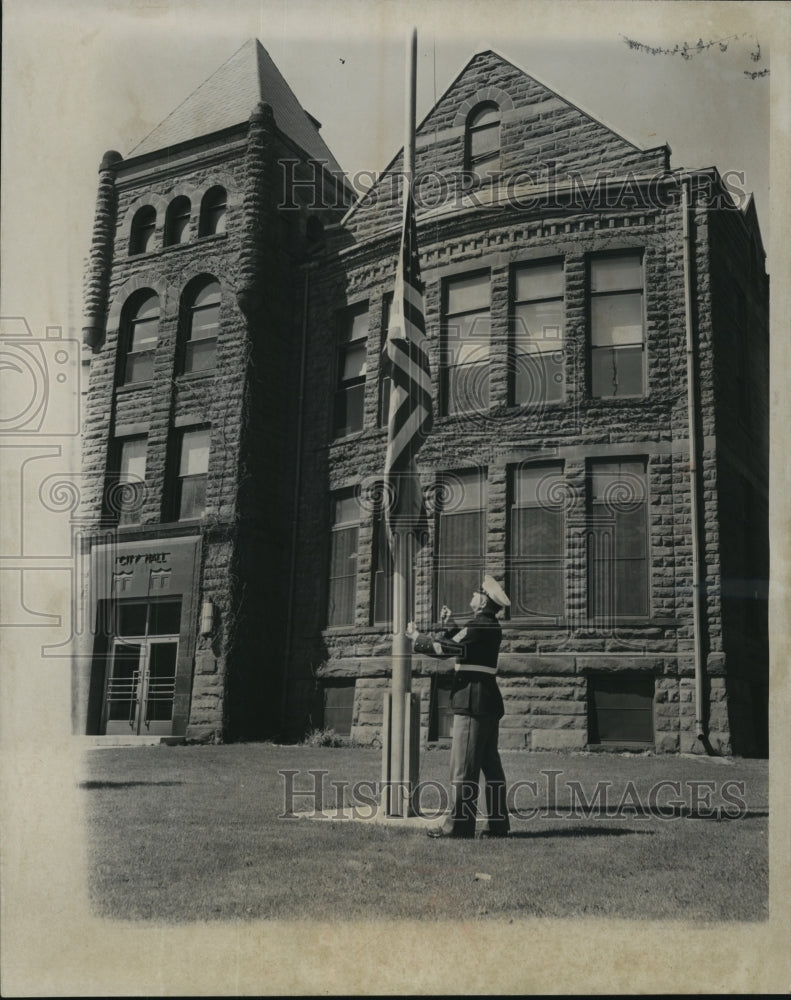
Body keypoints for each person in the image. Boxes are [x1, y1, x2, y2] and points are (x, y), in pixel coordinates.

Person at [406, 575, 511, 839]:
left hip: (471, 704)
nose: (472, 596)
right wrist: (451, 625)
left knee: (463, 769)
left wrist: (418, 638)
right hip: (486, 702)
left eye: (476, 592)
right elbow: (465, 647)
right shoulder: (488, 625)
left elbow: (448, 649)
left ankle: (458, 828)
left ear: (484, 600)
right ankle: (498, 826)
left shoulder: (479, 624)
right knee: (491, 769)